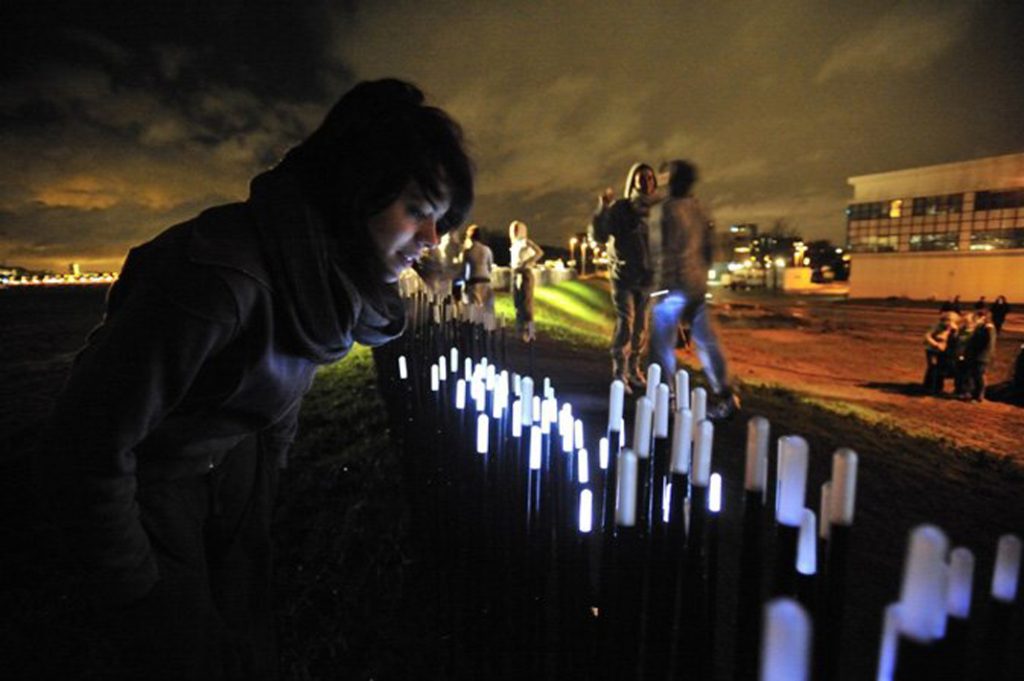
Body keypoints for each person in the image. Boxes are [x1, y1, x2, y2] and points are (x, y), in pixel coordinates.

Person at [33, 78, 473, 680]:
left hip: (234, 481)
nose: (431, 240)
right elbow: (87, 443)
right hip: (157, 495)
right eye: (417, 211)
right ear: (354, 189)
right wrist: (138, 586)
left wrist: (266, 473)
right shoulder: (216, 282)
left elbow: (280, 384)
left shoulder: (325, 276)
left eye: (440, 219)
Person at [649, 160, 739, 419]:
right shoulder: (701, 210)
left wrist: (659, 288)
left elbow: (660, 253)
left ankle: (663, 396)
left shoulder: (663, 211)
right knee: (707, 342)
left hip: (671, 288)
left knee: (661, 345)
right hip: (696, 286)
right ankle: (725, 392)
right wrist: (700, 283)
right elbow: (711, 251)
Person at [589, 162, 661, 391]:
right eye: (641, 177)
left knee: (641, 327)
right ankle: (619, 371)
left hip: (649, 280)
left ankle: (634, 369)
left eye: (650, 177)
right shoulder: (621, 209)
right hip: (623, 277)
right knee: (626, 323)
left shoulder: (660, 210)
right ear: (632, 181)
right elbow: (599, 235)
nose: (646, 181)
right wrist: (602, 208)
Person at [509, 220, 544, 341]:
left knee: (526, 303)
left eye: (516, 229)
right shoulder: (514, 244)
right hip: (516, 273)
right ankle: (520, 331)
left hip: (524, 273)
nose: (514, 232)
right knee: (518, 303)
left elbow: (539, 252)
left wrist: (528, 262)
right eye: (513, 229)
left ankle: (530, 332)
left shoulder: (525, 242)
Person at [961, 306, 998, 402]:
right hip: (975, 356)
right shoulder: (980, 327)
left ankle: (979, 396)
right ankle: (972, 394)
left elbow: (988, 344)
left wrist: (981, 355)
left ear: (984, 317)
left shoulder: (988, 328)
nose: (975, 318)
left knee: (979, 376)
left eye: (977, 317)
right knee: (974, 375)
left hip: (981, 357)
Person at [461, 224, 495, 315]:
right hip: (486, 281)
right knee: (488, 311)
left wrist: (464, 285)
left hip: (474, 282)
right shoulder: (487, 250)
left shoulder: (468, 252)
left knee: (475, 311)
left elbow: (464, 271)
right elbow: (490, 267)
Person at [923, 311, 957, 395]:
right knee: (932, 367)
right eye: (947, 320)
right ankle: (929, 386)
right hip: (931, 350)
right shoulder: (937, 326)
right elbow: (927, 336)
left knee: (940, 368)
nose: (948, 322)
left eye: (951, 320)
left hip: (942, 351)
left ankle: (938, 387)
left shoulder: (953, 327)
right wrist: (936, 344)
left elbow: (954, 338)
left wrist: (954, 331)